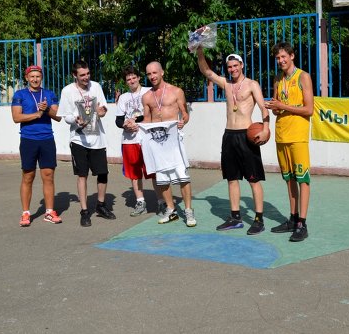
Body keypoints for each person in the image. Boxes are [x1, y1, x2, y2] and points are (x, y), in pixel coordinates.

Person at [196, 46, 270, 235]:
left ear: (242, 65)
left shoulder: (252, 84)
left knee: (253, 180)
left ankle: (259, 219)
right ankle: (235, 217)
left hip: (247, 135)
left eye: (235, 66)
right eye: (229, 67)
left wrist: (266, 129)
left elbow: (263, 108)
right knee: (232, 179)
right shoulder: (226, 84)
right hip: (229, 135)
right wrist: (199, 51)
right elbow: (206, 71)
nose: (233, 69)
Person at [264, 42, 314, 242]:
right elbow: (278, 106)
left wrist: (283, 105)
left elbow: (309, 109)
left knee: (303, 179)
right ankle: (293, 219)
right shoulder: (277, 79)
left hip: (298, 136)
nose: (281, 61)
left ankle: (302, 223)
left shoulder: (303, 77)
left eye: (284, 56)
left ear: (292, 56)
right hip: (281, 135)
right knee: (289, 179)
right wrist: (274, 108)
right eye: (278, 58)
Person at [57, 60, 115, 227]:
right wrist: (75, 119)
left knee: (103, 173)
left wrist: (102, 111)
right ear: (75, 75)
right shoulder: (67, 91)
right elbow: (65, 116)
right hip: (78, 139)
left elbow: (102, 108)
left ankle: (101, 206)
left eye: (88, 74)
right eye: (82, 75)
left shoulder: (96, 86)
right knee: (82, 174)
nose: (86, 77)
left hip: (98, 138)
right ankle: (84, 211)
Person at [141, 61, 196, 227]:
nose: (152, 76)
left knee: (182, 176)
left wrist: (182, 122)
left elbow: (185, 114)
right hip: (157, 143)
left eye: (155, 73)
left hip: (173, 140)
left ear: (162, 72)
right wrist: (135, 125)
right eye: (149, 74)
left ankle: (188, 211)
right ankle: (171, 210)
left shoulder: (176, 91)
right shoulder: (147, 96)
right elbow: (146, 120)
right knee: (162, 178)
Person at [11, 65, 62, 226]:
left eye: (37, 76)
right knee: (28, 176)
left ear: (41, 78)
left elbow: (59, 116)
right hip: (28, 140)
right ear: (27, 78)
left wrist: (46, 110)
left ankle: (49, 212)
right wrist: (37, 114)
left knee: (48, 176)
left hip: (47, 139)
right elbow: (16, 117)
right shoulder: (20, 94)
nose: (35, 79)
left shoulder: (49, 94)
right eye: (32, 76)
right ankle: (26, 213)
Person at [115, 65, 168, 218]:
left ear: (139, 77)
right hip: (129, 141)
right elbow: (118, 120)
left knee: (153, 171)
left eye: (133, 77)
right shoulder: (123, 98)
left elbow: (152, 112)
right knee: (134, 174)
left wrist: (135, 120)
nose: (131, 80)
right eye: (128, 79)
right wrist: (125, 124)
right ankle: (140, 202)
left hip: (147, 138)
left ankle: (161, 202)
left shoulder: (148, 92)